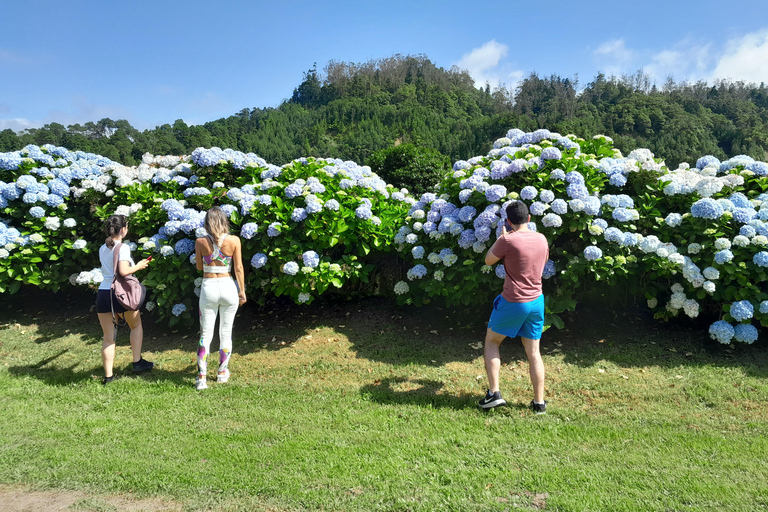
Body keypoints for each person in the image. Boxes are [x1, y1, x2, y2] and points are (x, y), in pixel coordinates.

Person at [479, 201, 550, 413]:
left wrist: (501, 239)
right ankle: (539, 403)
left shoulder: (508, 240)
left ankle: (494, 394)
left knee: (492, 342)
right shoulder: (541, 238)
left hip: (513, 301)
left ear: (508, 222)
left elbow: (488, 261)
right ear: (529, 218)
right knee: (534, 352)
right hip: (536, 301)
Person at [96, 215, 153, 384]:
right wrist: (139, 266)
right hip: (122, 293)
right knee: (135, 325)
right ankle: (137, 362)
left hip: (104, 293)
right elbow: (123, 271)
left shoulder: (102, 248)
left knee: (108, 337)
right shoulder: (123, 247)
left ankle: (108, 376)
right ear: (123, 230)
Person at [194, 206, 247, 390]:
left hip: (209, 287)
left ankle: (202, 377)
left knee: (205, 334)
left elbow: (200, 268)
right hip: (228, 286)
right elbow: (238, 268)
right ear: (224, 221)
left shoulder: (200, 241)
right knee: (226, 332)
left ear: (207, 224)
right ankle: (222, 372)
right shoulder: (234, 240)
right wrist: (242, 291)